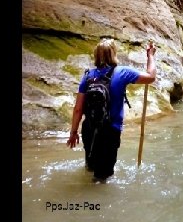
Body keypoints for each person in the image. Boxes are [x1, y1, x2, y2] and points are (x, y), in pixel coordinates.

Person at [67, 38, 156, 182]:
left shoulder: (88, 76)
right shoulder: (123, 72)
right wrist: (150, 56)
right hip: (110, 131)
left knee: (90, 168)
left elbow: (78, 109)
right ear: (114, 54)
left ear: (96, 55)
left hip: (89, 129)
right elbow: (151, 77)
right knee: (102, 179)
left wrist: (73, 132)